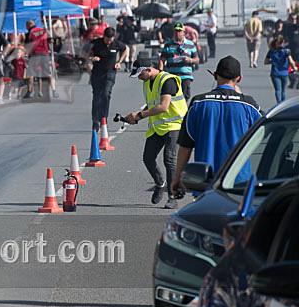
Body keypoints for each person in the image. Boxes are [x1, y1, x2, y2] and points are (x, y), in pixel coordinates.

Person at [172, 56, 262, 195]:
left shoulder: (198, 103)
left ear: (215, 75)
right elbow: (267, 134)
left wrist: (177, 178)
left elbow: (185, 146)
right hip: (239, 183)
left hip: (205, 183)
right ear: (239, 78)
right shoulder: (249, 105)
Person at [123, 57, 188, 209]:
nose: (139, 78)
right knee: (148, 158)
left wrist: (139, 115)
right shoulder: (147, 83)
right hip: (158, 126)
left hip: (175, 125)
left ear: (148, 69)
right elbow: (152, 103)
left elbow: (164, 106)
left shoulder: (167, 80)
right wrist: (135, 117)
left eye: (140, 74)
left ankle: (172, 196)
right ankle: (160, 183)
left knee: (169, 159)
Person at [88, 27, 128, 131]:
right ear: (104, 37)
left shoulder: (116, 44)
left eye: (111, 40)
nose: (109, 42)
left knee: (106, 94)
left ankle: (103, 120)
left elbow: (125, 49)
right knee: (97, 96)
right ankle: (95, 121)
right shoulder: (96, 43)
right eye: (107, 39)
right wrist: (92, 58)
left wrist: (119, 61)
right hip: (97, 73)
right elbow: (85, 51)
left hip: (110, 73)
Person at [159, 22, 199, 102]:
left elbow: (197, 60)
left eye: (180, 31)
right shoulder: (168, 44)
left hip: (185, 76)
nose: (178, 33)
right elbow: (162, 60)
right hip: (172, 76)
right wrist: (161, 73)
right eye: (176, 31)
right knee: (172, 98)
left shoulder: (190, 44)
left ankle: (184, 114)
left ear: (184, 32)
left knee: (184, 98)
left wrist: (189, 60)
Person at [25, 18, 58, 98]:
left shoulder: (30, 32)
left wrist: (27, 53)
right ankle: (54, 91)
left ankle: (30, 92)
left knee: (31, 74)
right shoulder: (43, 30)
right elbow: (51, 40)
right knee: (49, 74)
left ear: (29, 25)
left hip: (35, 55)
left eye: (26, 26)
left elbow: (29, 45)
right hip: (44, 54)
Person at [265, 34, 296, 103]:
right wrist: (294, 68)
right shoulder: (286, 51)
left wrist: (273, 61)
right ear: (283, 42)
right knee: (283, 90)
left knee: (277, 90)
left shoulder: (272, 51)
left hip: (274, 72)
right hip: (284, 72)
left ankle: (278, 102)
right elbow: (291, 61)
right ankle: (283, 103)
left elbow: (266, 61)